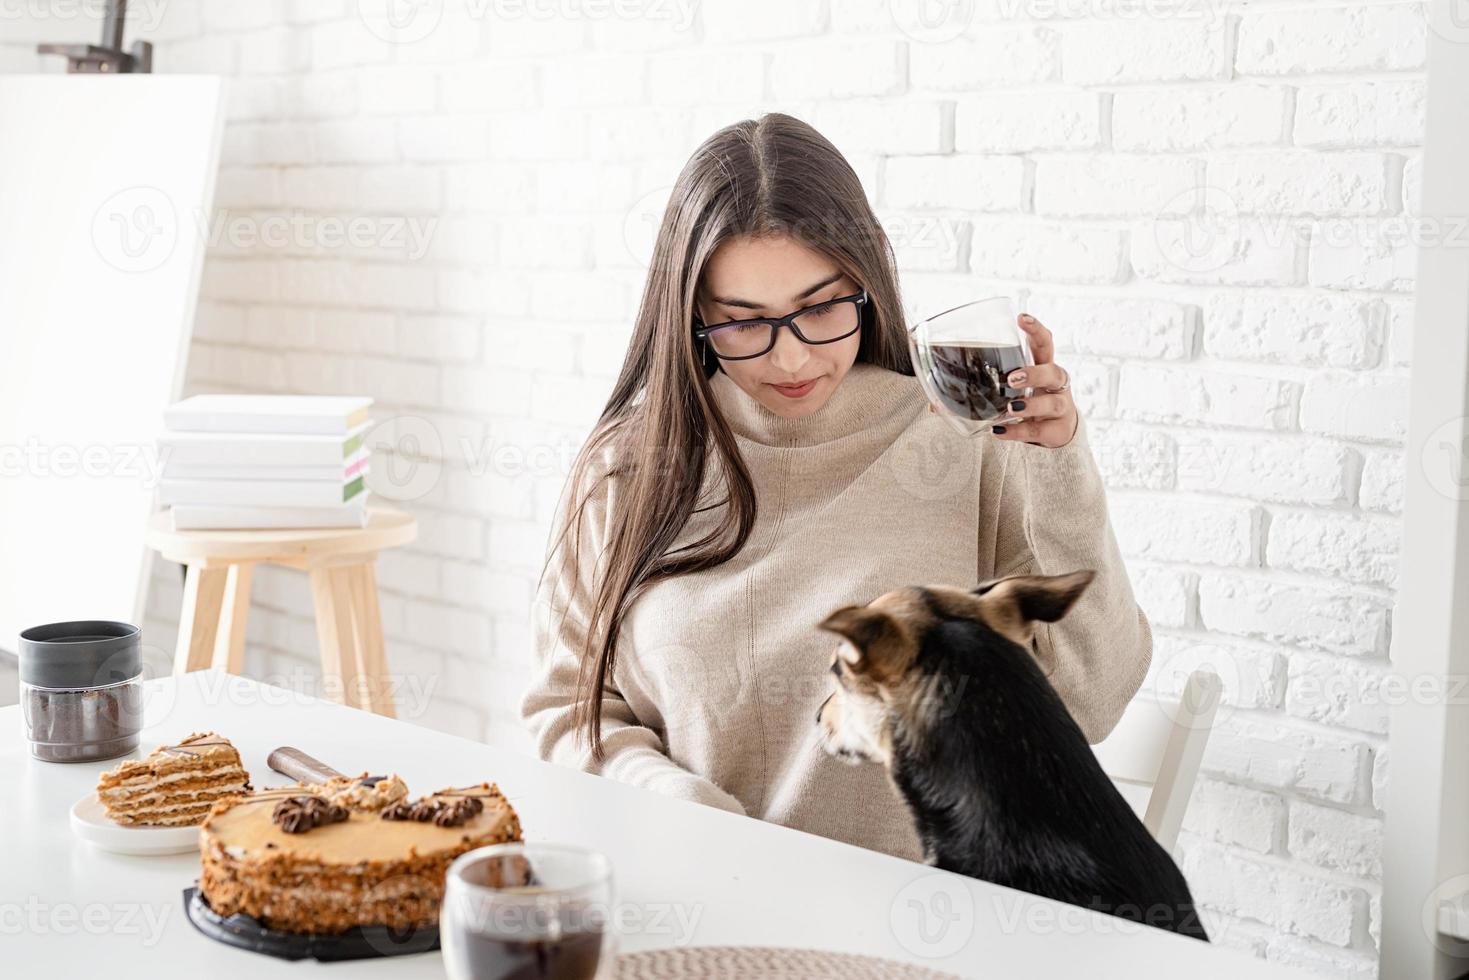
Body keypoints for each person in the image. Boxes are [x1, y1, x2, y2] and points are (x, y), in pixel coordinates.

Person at [520, 113, 1151, 863]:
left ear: (866, 278)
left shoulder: (964, 439)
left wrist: (1058, 465)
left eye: (820, 308)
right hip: (696, 903)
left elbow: (1092, 700)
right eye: (742, 322)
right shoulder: (627, 468)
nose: (789, 359)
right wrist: (668, 797)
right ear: (689, 316)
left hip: (925, 930)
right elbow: (568, 708)